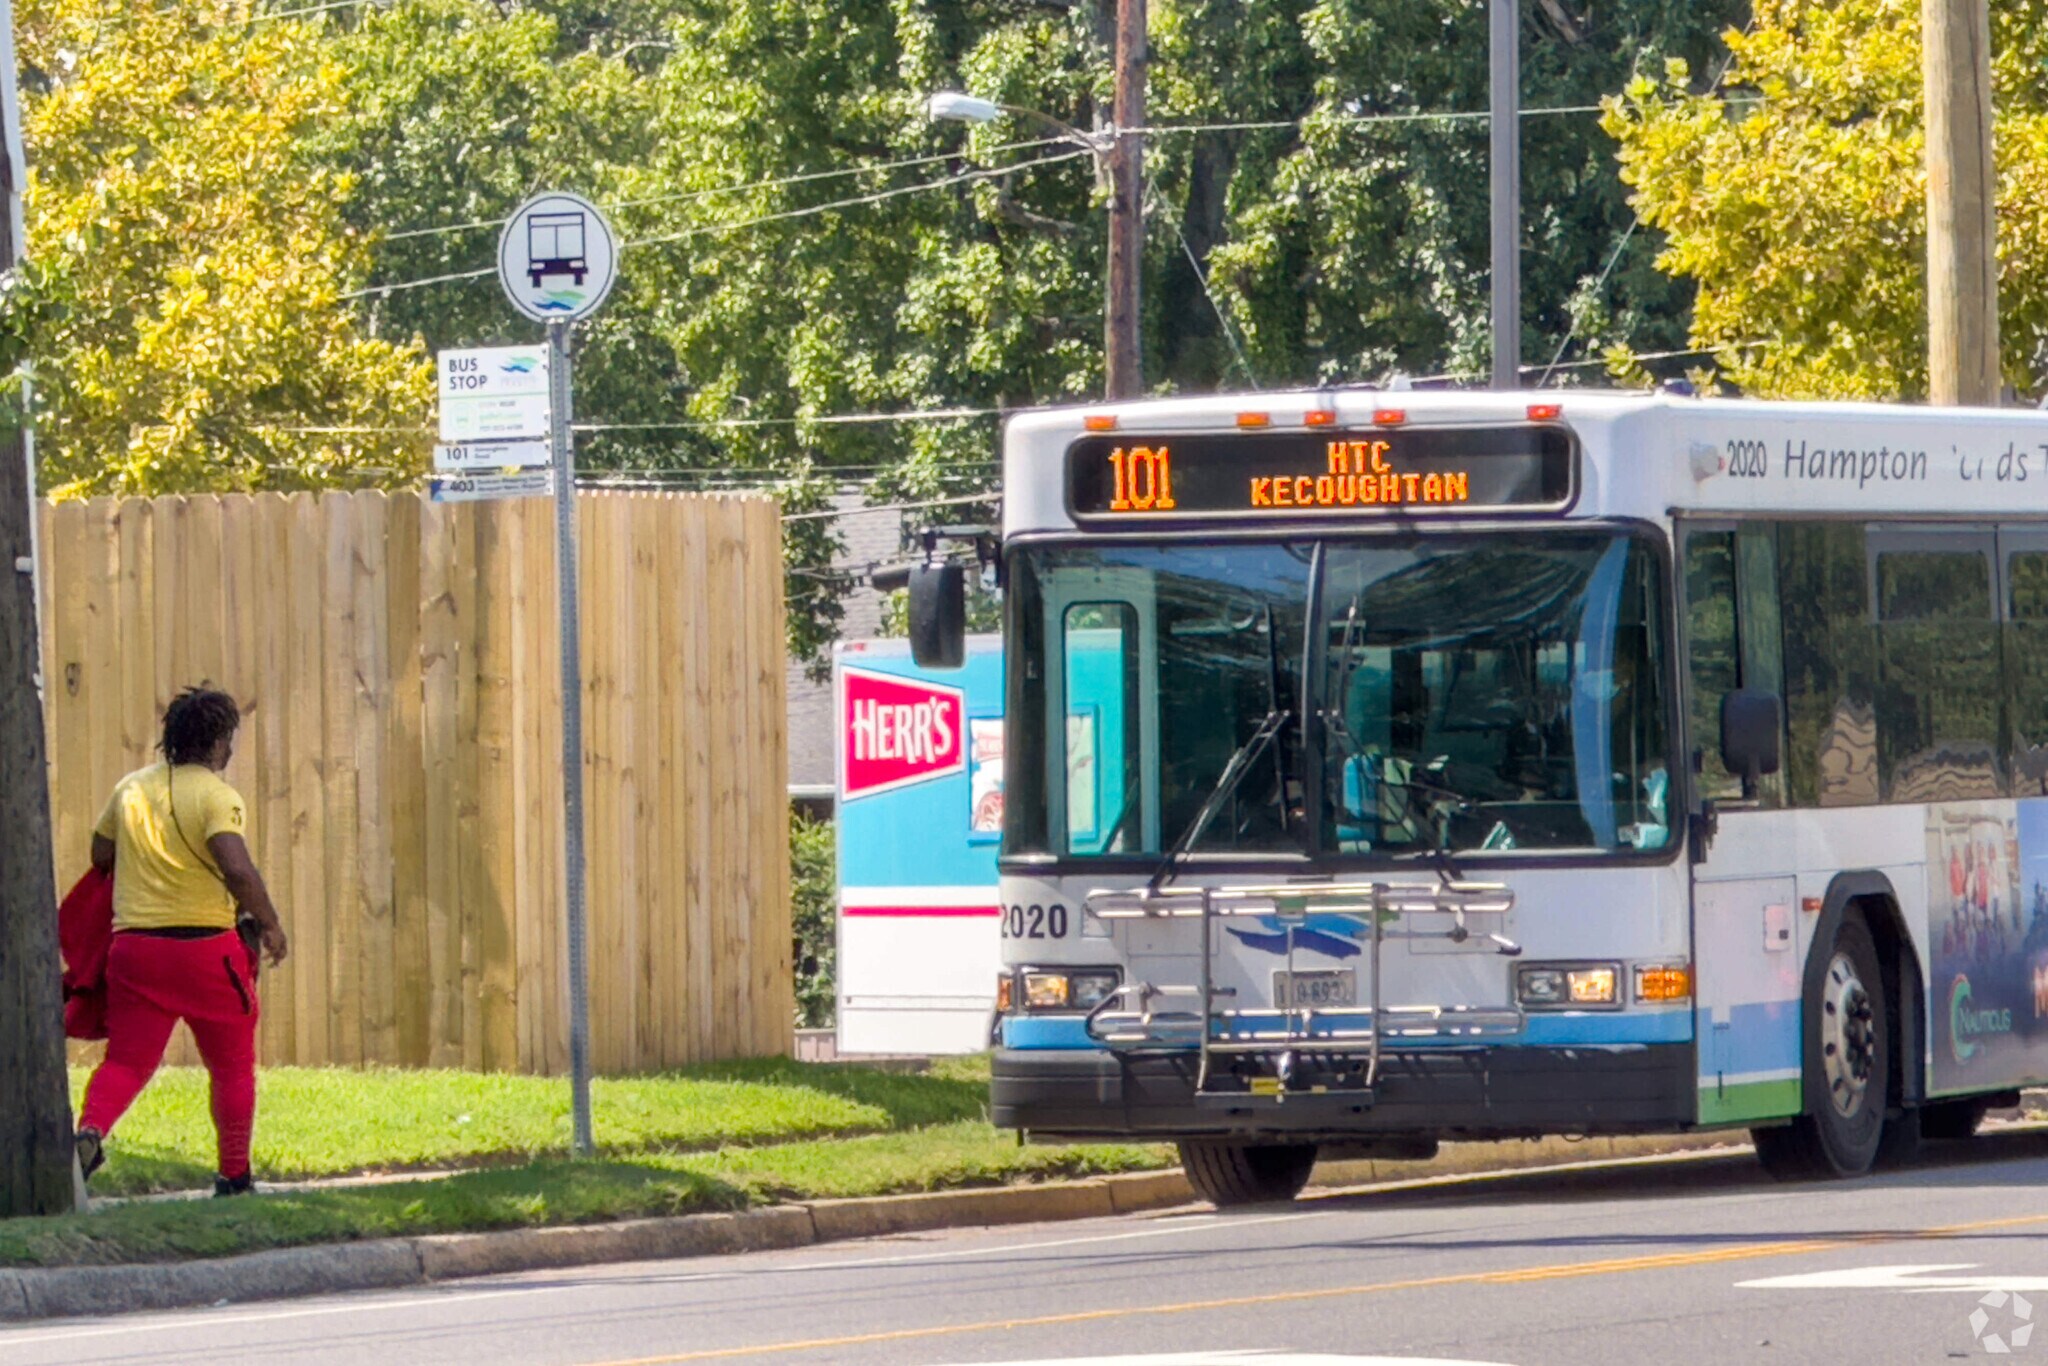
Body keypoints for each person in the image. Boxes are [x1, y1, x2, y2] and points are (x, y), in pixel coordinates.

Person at [75, 688, 288, 1196]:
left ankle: (89, 1132)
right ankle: (234, 1176)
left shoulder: (130, 789)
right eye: (229, 740)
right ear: (217, 742)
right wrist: (271, 923)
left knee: (126, 1062)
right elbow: (236, 867)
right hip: (206, 954)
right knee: (232, 1065)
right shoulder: (217, 795)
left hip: (135, 952)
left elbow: (100, 853)